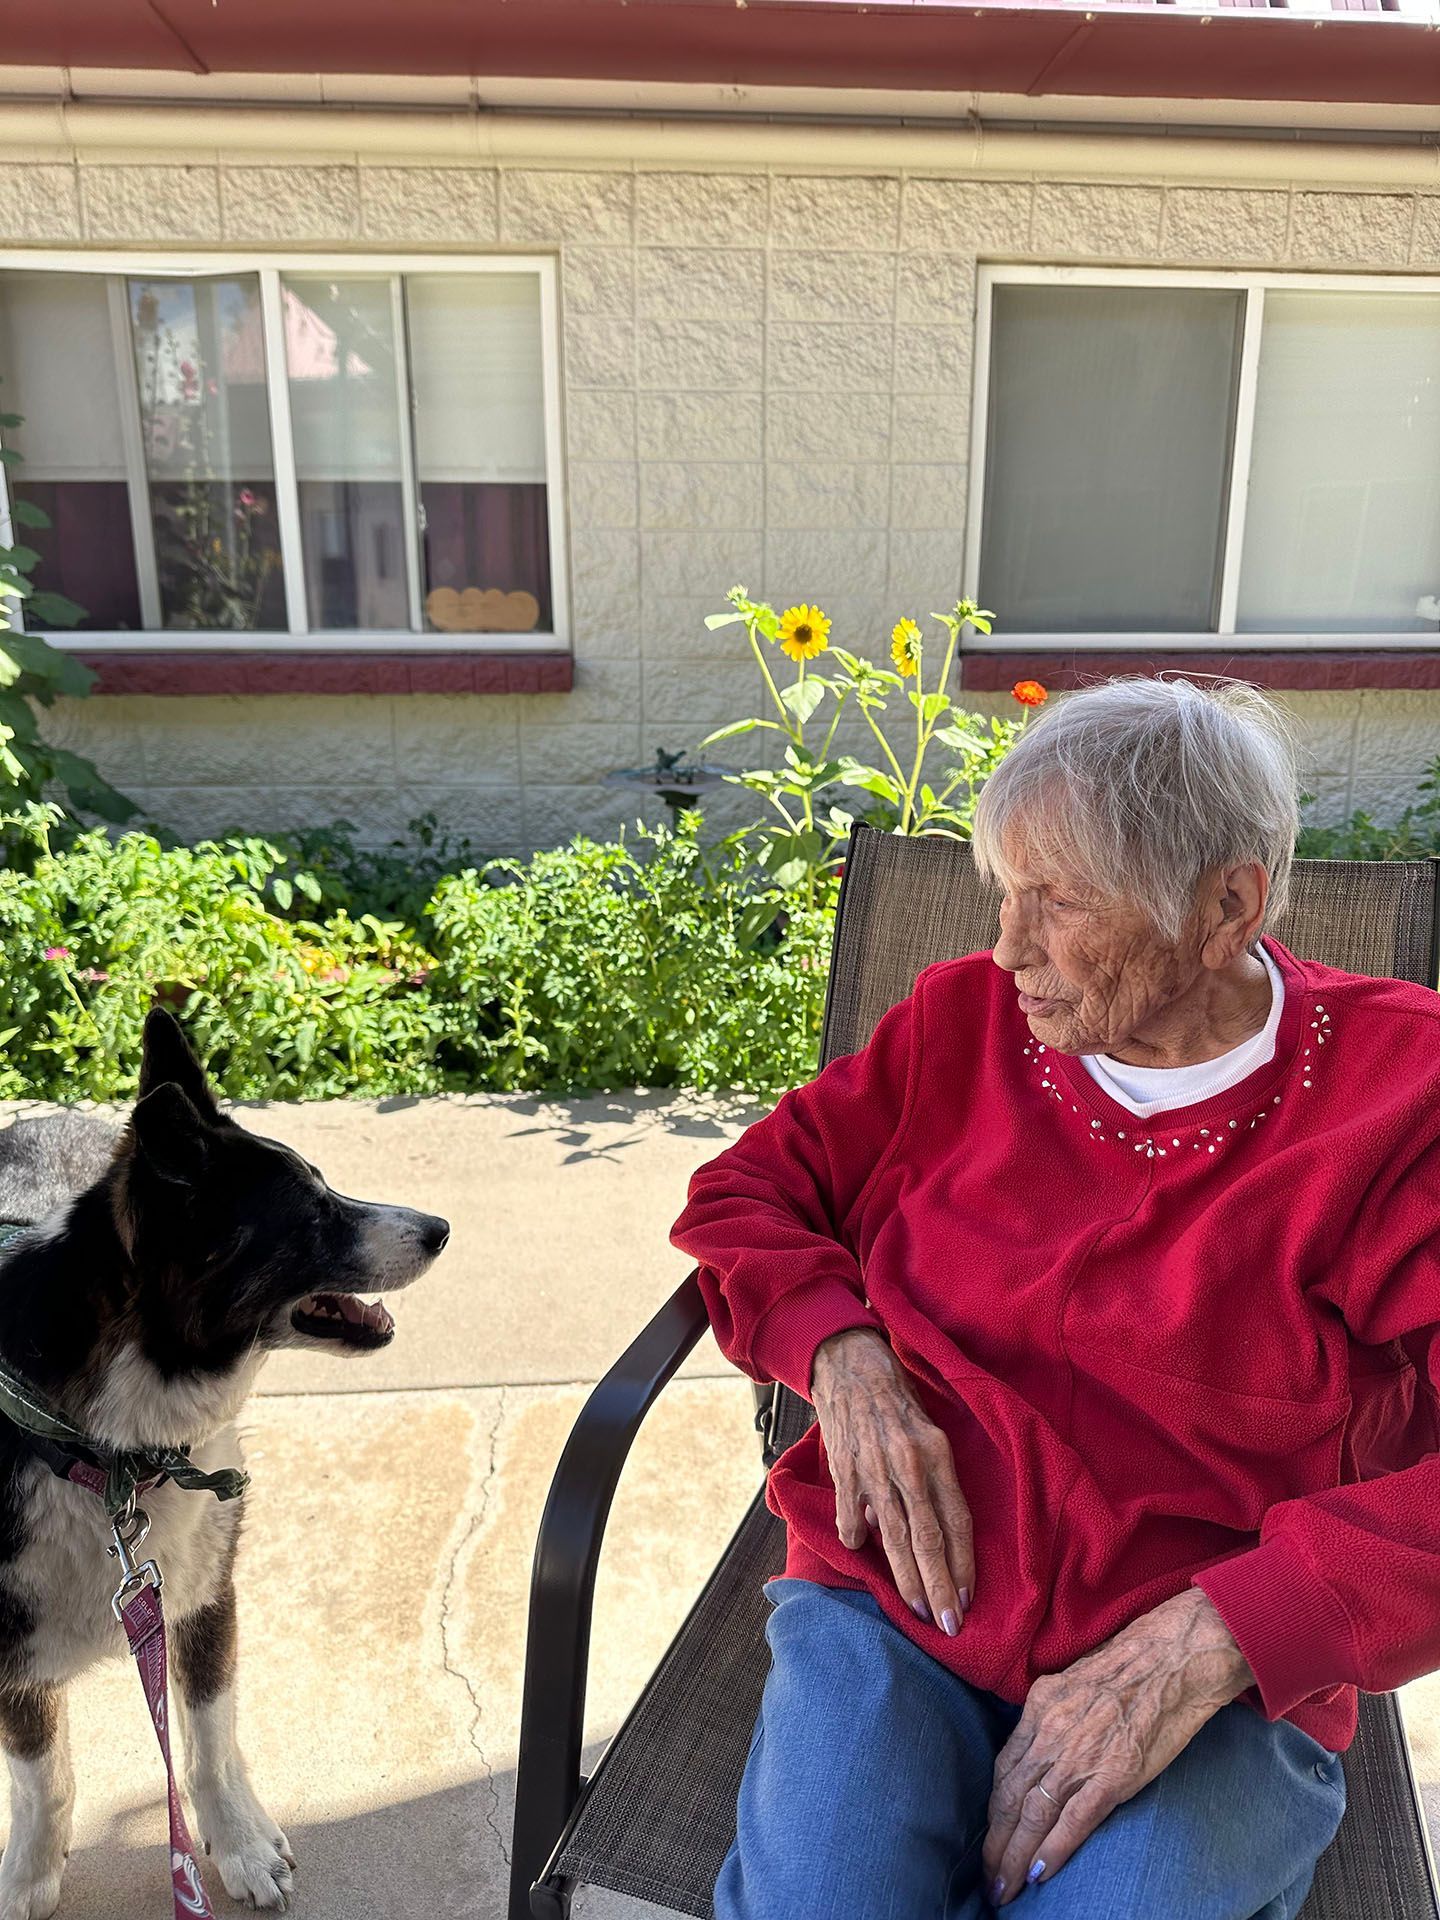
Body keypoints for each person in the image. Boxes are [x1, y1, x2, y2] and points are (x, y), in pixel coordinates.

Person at [670, 676, 1440, 1919]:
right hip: (899, 1608)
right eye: (1003, 894)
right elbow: (748, 1197)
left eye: (1061, 901)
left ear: (1226, 905)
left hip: (1216, 1682)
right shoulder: (960, 1027)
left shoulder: (1403, 1100)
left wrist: (1223, 1636)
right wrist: (842, 1355)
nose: (1007, 949)